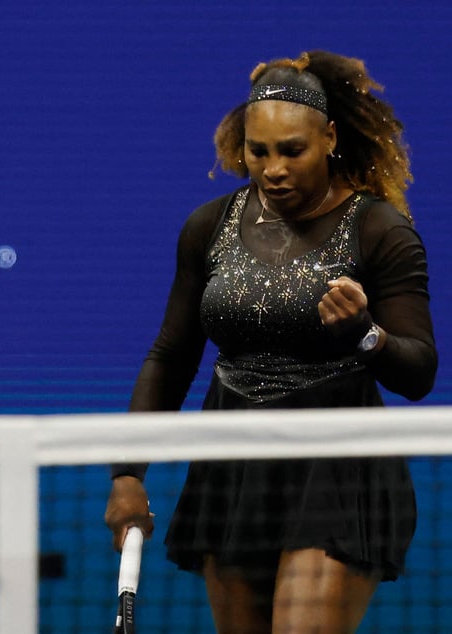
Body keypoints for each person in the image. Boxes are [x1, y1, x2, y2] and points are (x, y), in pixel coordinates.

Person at [104, 50, 437, 633]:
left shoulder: (380, 230)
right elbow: (172, 355)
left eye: (292, 151)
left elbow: (418, 371)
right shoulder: (208, 226)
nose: (272, 169)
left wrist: (365, 335)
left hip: (337, 468)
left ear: (329, 137)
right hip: (232, 466)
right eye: (258, 151)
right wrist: (128, 474)